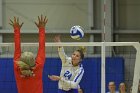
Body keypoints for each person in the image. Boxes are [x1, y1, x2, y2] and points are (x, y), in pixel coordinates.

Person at [10, 15, 48, 93]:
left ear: (20, 61)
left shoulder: (17, 67)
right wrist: (42, 29)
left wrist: (16, 30)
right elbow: (42, 48)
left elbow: (17, 49)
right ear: (34, 61)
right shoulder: (38, 66)